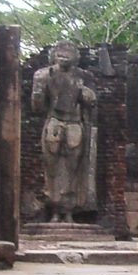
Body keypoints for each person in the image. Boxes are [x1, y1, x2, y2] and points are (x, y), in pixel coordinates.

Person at [30, 41, 97, 221]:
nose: (64, 55)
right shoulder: (44, 75)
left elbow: (91, 104)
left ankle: (69, 210)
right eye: (60, 52)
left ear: (76, 57)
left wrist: (87, 95)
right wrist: (38, 92)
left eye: (69, 52)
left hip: (74, 123)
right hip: (54, 121)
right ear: (53, 55)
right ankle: (54, 209)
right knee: (52, 167)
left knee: (73, 168)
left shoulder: (83, 77)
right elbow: (37, 107)